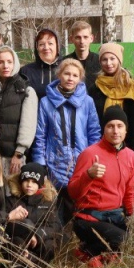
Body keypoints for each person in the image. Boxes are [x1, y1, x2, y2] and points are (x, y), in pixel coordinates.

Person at [67, 107, 134, 268]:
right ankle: (86, 251)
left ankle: (108, 252)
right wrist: (88, 175)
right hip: (89, 219)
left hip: (116, 216)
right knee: (125, 239)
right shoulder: (90, 154)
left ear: (126, 130)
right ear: (103, 129)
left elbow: (131, 191)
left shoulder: (130, 155)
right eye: (110, 126)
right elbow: (73, 192)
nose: (115, 131)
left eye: (120, 126)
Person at [31, 58, 101, 219]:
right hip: (54, 162)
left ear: (80, 78)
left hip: (81, 161)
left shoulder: (87, 102)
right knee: (55, 208)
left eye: (75, 75)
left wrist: (93, 159)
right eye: (66, 74)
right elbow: (40, 135)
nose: (70, 78)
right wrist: (41, 163)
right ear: (59, 75)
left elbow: (94, 133)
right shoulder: (46, 102)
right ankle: (58, 240)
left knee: (80, 205)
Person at [0, 46, 38, 176]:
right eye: (1, 62)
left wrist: (19, 153)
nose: (5, 66)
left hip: (14, 157)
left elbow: (28, 125)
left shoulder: (26, 90)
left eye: (9, 62)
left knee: (12, 193)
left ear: (15, 64)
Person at [88, 42, 134, 158]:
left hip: (129, 150)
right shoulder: (95, 88)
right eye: (104, 59)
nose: (108, 63)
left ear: (119, 60)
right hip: (101, 149)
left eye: (112, 58)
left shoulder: (131, 87)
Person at [5, 162, 62, 266]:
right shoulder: (11, 201)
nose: (29, 185)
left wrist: (37, 235)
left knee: (49, 245)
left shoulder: (47, 202)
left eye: (34, 182)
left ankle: (36, 267)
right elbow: (5, 224)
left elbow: (55, 226)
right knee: (16, 242)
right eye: (26, 180)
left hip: (38, 242)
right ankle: (22, 266)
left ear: (40, 184)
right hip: (19, 241)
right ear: (20, 181)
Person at [19, 28, 62, 98]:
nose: (46, 47)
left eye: (50, 43)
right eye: (41, 44)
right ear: (37, 48)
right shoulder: (25, 72)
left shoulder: (67, 69)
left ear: (57, 46)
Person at [63, 20, 101, 88]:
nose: (82, 41)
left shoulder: (100, 62)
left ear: (91, 38)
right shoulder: (64, 62)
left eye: (85, 37)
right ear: (71, 39)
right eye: (78, 37)